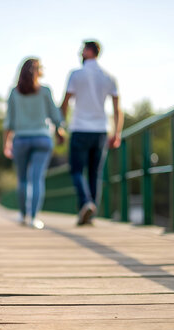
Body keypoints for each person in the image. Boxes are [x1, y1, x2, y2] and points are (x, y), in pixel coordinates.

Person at [60, 40, 123, 226]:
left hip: (79, 128)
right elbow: (118, 108)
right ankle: (90, 213)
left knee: (77, 170)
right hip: (101, 130)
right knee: (96, 173)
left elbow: (65, 103)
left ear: (89, 51)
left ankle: (85, 203)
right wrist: (117, 132)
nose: (80, 53)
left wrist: (60, 126)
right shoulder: (109, 76)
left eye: (82, 50)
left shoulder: (76, 74)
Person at [3, 58, 66, 229]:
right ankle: (33, 218)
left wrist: (6, 144)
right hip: (42, 139)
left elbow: (9, 122)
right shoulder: (45, 91)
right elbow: (55, 116)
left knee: (22, 180)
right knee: (37, 179)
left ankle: (23, 215)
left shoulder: (14, 92)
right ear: (38, 71)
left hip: (21, 139)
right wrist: (60, 131)